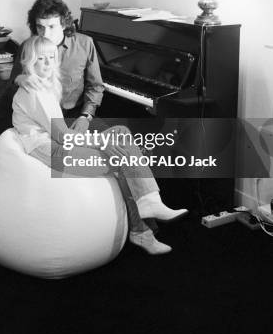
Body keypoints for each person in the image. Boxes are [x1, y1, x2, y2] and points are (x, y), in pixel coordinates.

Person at [12, 36, 188, 256]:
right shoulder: (35, 93)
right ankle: (142, 227)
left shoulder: (42, 85)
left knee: (121, 134)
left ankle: (149, 202)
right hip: (51, 151)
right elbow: (62, 137)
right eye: (41, 59)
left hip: (56, 142)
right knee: (121, 158)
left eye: (51, 57)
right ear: (29, 61)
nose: (48, 64)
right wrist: (101, 142)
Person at [10, 0, 104, 134]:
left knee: (118, 138)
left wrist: (86, 116)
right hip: (39, 120)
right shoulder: (28, 46)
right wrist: (20, 79)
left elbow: (95, 86)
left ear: (64, 24)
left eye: (51, 27)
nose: (45, 34)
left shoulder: (85, 44)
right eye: (40, 27)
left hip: (74, 116)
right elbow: (13, 81)